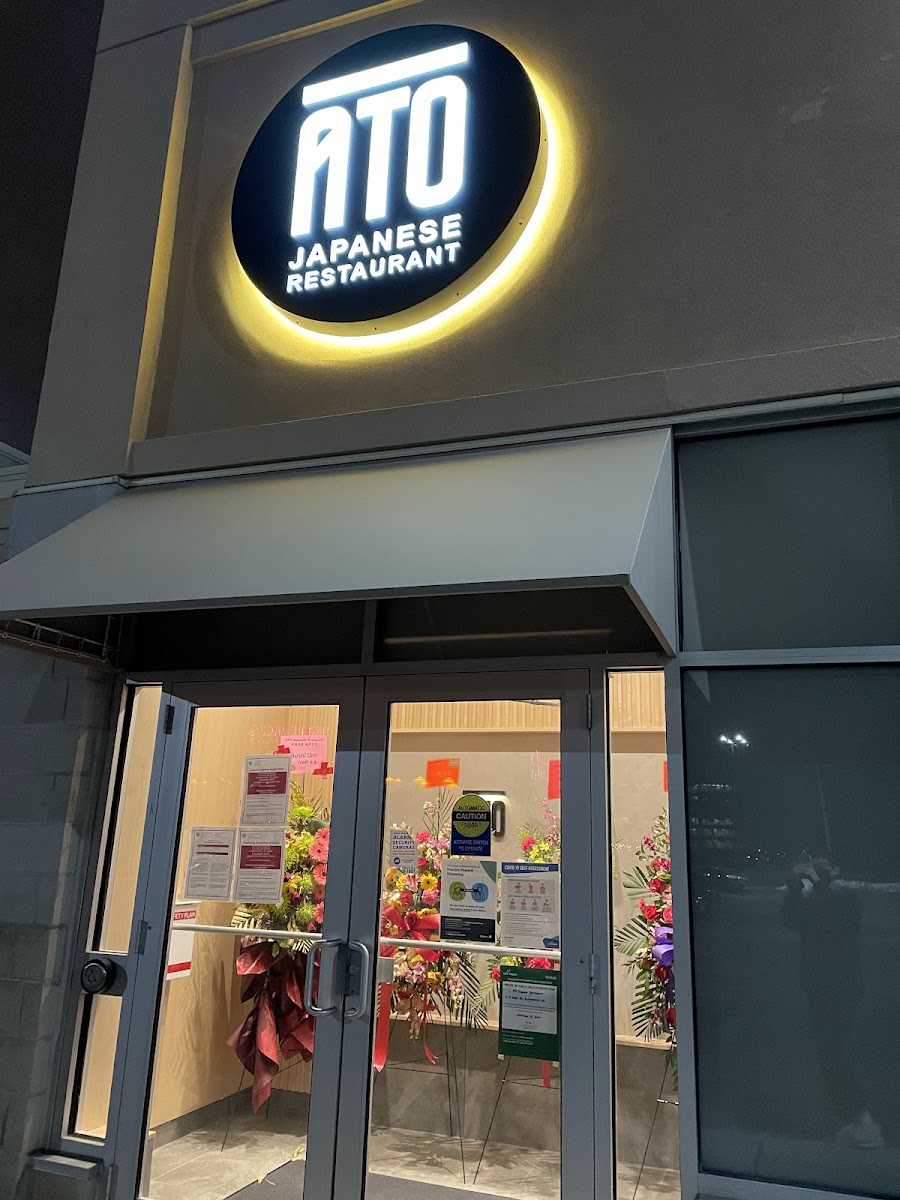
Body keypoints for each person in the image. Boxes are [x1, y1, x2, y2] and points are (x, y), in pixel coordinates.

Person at [780, 854, 883, 1149]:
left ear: (836, 870)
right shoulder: (816, 901)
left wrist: (819, 885)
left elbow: (838, 917)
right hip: (818, 988)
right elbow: (789, 919)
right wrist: (794, 885)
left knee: (836, 1052)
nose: (817, 871)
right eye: (814, 866)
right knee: (829, 1053)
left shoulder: (847, 900)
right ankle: (856, 1120)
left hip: (843, 988)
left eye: (824, 866)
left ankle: (864, 1122)